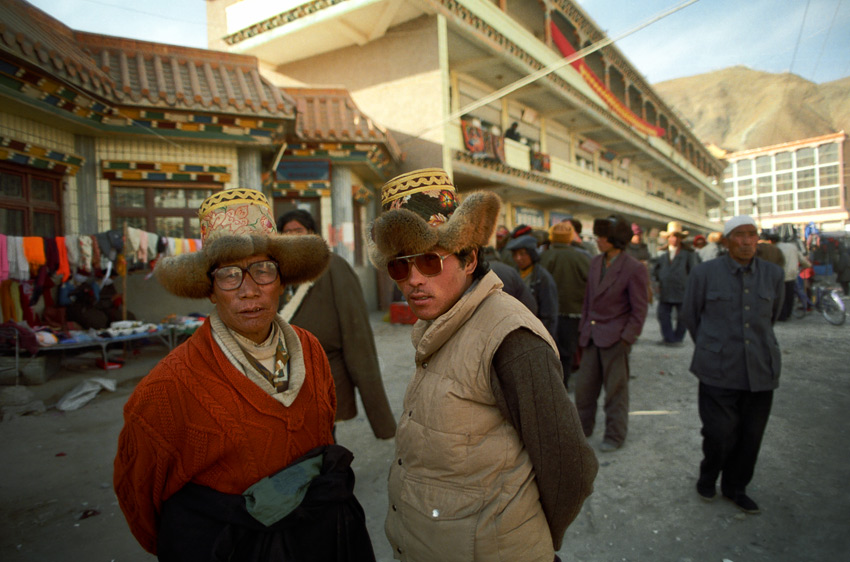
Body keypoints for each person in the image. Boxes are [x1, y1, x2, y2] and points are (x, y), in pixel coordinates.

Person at [114, 189, 376, 560]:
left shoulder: (311, 351)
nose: (249, 290)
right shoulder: (167, 388)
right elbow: (141, 501)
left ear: (282, 280)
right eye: (229, 275)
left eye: (263, 270)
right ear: (210, 289)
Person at [368, 168, 597, 561]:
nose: (414, 280)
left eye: (429, 261)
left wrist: (529, 539)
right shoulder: (439, 324)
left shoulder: (510, 339)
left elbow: (570, 467)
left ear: (469, 258)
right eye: (400, 266)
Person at [681, 215, 784, 515]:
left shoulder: (773, 274)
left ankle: (736, 487)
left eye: (753, 234)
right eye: (740, 235)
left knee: (751, 436)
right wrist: (713, 346)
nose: (748, 240)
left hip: (761, 370)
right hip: (717, 369)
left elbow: (772, 317)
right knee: (719, 433)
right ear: (726, 241)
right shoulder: (704, 273)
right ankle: (709, 475)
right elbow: (691, 315)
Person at [277, 209, 397, 439]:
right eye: (286, 232)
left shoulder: (334, 267)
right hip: (286, 380)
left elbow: (357, 335)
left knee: (322, 443)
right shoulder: (278, 272)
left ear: (311, 233)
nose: (292, 237)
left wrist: (381, 420)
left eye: (298, 231)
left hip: (326, 376)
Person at [574, 215, 648, 453]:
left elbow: (640, 309)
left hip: (616, 339)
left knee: (615, 392)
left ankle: (615, 436)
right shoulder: (596, 262)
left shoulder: (634, 268)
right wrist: (584, 328)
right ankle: (582, 429)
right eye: (598, 236)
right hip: (591, 336)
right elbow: (587, 300)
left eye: (604, 237)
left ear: (617, 239)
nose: (599, 241)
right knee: (585, 389)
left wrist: (627, 338)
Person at [540, 220, 590, 390]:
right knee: (567, 352)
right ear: (570, 238)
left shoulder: (544, 257)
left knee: (548, 350)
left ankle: (550, 385)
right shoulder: (581, 257)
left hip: (546, 313)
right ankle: (564, 384)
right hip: (573, 313)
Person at [651, 221, 698, 346]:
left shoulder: (688, 253)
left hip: (682, 290)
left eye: (676, 236)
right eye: (671, 236)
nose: (673, 239)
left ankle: (678, 338)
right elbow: (655, 270)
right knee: (662, 315)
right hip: (665, 289)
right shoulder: (661, 253)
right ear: (667, 238)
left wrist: (692, 288)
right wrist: (656, 284)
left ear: (681, 238)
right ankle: (668, 338)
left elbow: (694, 271)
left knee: (683, 316)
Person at [506, 233, 559, 338]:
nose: (518, 258)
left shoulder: (542, 278)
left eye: (522, 254)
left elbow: (549, 314)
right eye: (515, 255)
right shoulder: (513, 273)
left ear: (532, 254)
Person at [481, 245, 538, 314]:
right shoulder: (511, 271)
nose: (518, 258)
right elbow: (530, 304)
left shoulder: (476, 272)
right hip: (513, 318)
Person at [776, 232, 811, 321]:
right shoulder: (793, 248)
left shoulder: (777, 247)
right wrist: (806, 265)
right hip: (792, 275)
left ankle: (782, 315)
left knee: (781, 296)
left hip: (780, 275)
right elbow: (803, 260)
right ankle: (788, 314)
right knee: (790, 295)